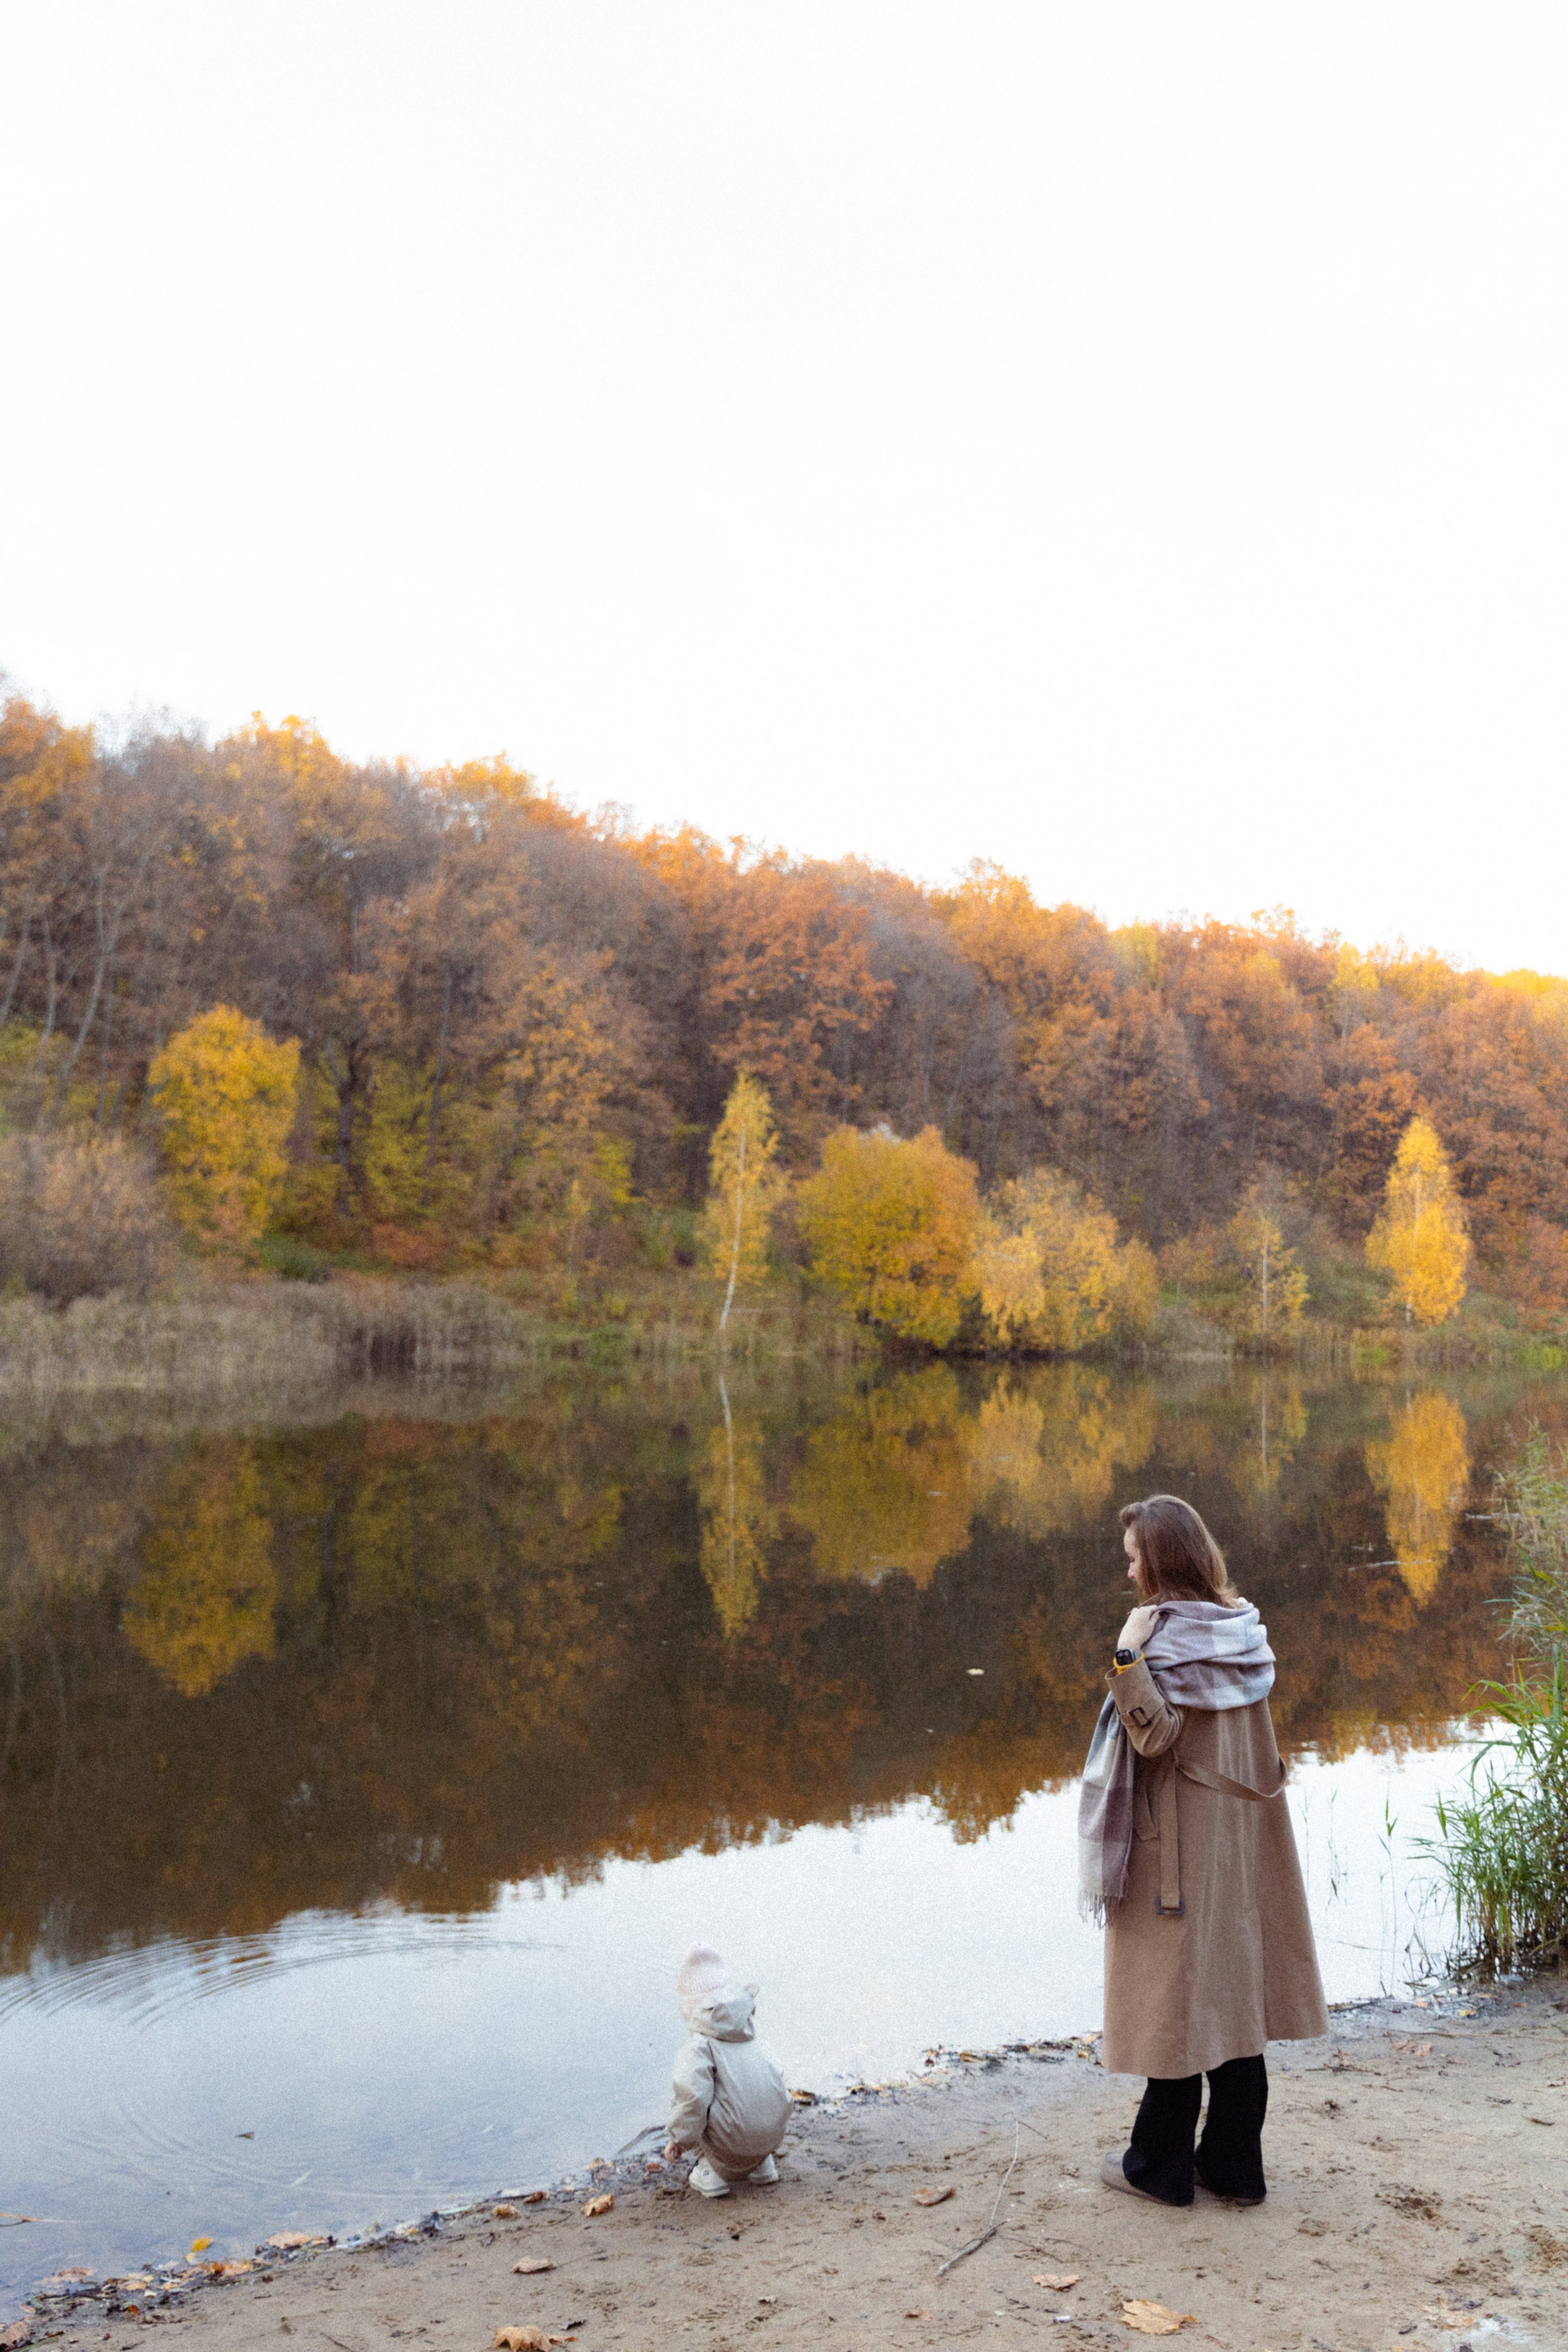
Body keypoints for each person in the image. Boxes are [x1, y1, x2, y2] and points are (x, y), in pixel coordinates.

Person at [1077, 1494, 1327, 2207]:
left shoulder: (1158, 1641)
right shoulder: (1241, 1630)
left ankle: (1156, 2169)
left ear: (1158, 1562)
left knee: (1177, 2003)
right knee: (1234, 1995)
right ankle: (1233, 2168)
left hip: (1176, 1850)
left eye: (1132, 1561)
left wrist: (1125, 1655)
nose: (1128, 1575)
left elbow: (1152, 1737)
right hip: (1242, 1849)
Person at [665, 1942, 792, 2198]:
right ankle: (763, 2165)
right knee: (747, 2090)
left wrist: (678, 2139)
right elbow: (777, 2080)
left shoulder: (699, 2046)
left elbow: (692, 2099)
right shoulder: (751, 2033)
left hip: (733, 2143)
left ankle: (711, 2172)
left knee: (696, 2099)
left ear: (690, 2009)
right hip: (771, 2136)